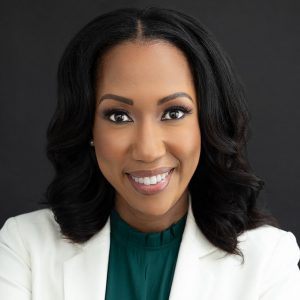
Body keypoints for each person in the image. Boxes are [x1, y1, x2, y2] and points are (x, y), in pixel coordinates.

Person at [0, 6, 299, 300]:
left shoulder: (269, 259)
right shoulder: (24, 246)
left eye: (174, 112)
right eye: (119, 116)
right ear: (87, 127)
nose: (147, 150)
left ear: (207, 122)